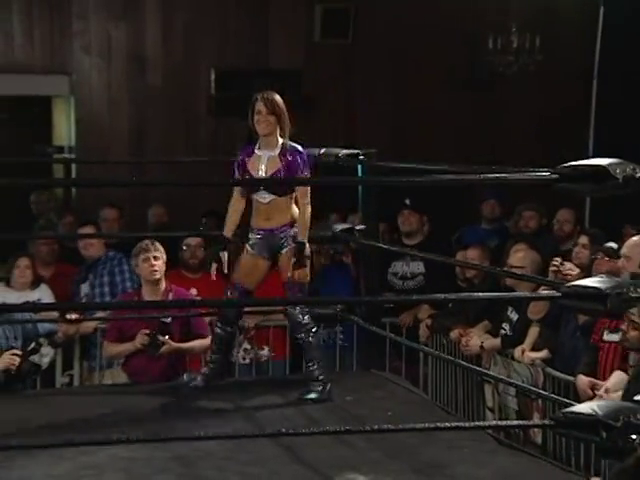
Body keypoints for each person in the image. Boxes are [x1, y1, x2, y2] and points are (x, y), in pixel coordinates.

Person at [189, 90, 330, 402]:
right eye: (257, 114)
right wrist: (225, 239)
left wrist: (302, 242)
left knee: (296, 308)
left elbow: (305, 203)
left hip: (288, 232)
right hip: (258, 235)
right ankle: (216, 368)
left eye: (268, 113)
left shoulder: (294, 154)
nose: (262, 119)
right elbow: (238, 200)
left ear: (279, 117)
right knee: (231, 302)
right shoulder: (245, 156)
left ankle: (319, 380)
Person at [103, 240, 211, 384]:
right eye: (146, 260)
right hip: (134, 384)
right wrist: (135, 345)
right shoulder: (125, 303)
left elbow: (207, 341)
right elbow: (108, 351)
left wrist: (176, 347)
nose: (153, 263)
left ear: (164, 264)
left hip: (175, 383)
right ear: (136, 269)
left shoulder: (183, 298)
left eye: (156, 258)